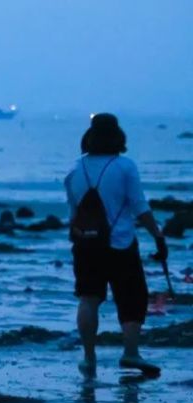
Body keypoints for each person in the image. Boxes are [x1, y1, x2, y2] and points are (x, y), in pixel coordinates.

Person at [65, 113, 168, 377]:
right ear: (118, 136)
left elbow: (73, 211)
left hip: (86, 245)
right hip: (120, 244)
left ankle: (89, 358)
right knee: (131, 298)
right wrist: (157, 234)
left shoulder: (75, 169)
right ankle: (130, 353)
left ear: (89, 136)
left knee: (88, 299)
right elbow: (139, 206)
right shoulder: (125, 167)